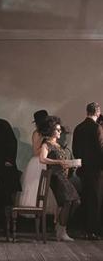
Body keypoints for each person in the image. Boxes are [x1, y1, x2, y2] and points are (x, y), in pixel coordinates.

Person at [39, 115, 80, 241]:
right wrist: (58, 163)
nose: (59, 132)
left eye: (59, 130)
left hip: (63, 176)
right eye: (57, 130)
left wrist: (71, 164)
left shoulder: (58, 145)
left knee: (75, 201)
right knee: (68, 201)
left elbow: (62, 160)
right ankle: (61, 231)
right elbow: (42, 159)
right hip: (56, 177)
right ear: (51, 130)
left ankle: (60, 227)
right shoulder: (47, 144)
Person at [73, 102, 103, 240]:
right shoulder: (97, 127)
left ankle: (83, 229)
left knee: (85, 198)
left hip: (83, 169)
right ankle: (93, 230)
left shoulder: (78, 127)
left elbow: (75, 149)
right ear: (97, 112)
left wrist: (81, 165)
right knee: (96, 200)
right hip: (96, 170)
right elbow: (100, 149)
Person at [19, 109, 58, 214]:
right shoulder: (37, 133)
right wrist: (48, 146)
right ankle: (36, 212)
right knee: (35, 188)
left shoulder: (49, 133)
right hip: (37, 163)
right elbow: (36, 151)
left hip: (46, 162)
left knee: (47, 189)